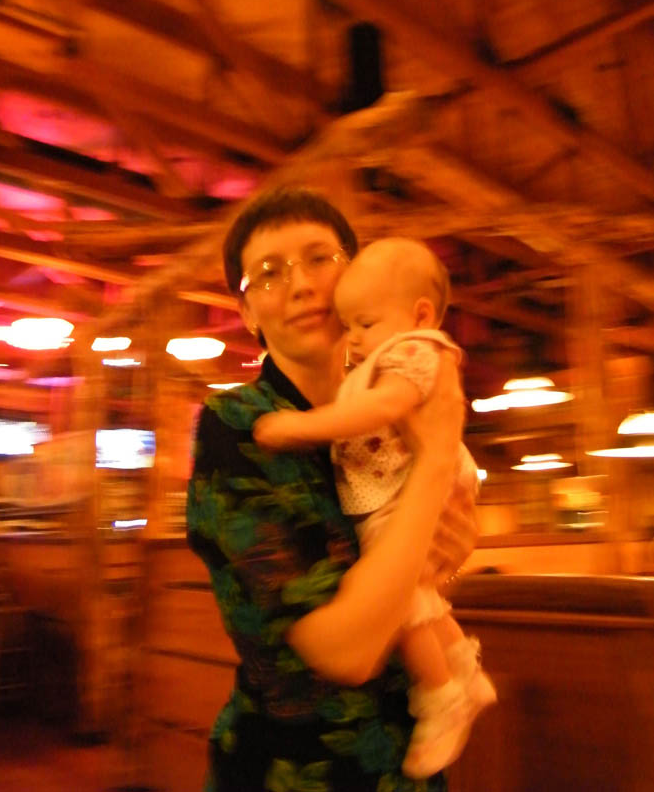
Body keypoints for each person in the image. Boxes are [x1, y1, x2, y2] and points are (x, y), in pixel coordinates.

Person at [187, 187, 478, 792]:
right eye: (269, 273)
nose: (300, 284)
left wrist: (448, 552)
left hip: (411, 763)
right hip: (297, 770)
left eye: (320, 258)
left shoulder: (389, 407)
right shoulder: (237, 426)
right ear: (247, 313)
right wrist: (434, 461)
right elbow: (348, 652)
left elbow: (426, 563)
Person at [254, 237, 496, 778]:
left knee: (402, 596)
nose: (355, 337)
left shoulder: (413, 351)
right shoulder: (390, 354)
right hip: (405, 487)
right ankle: (463, 671)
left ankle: (442, 693)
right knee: (417, 591)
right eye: (351, 325)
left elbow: (380, 409)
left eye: (364, 323)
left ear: (420, 315)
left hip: (399, 490)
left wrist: (297, 428)